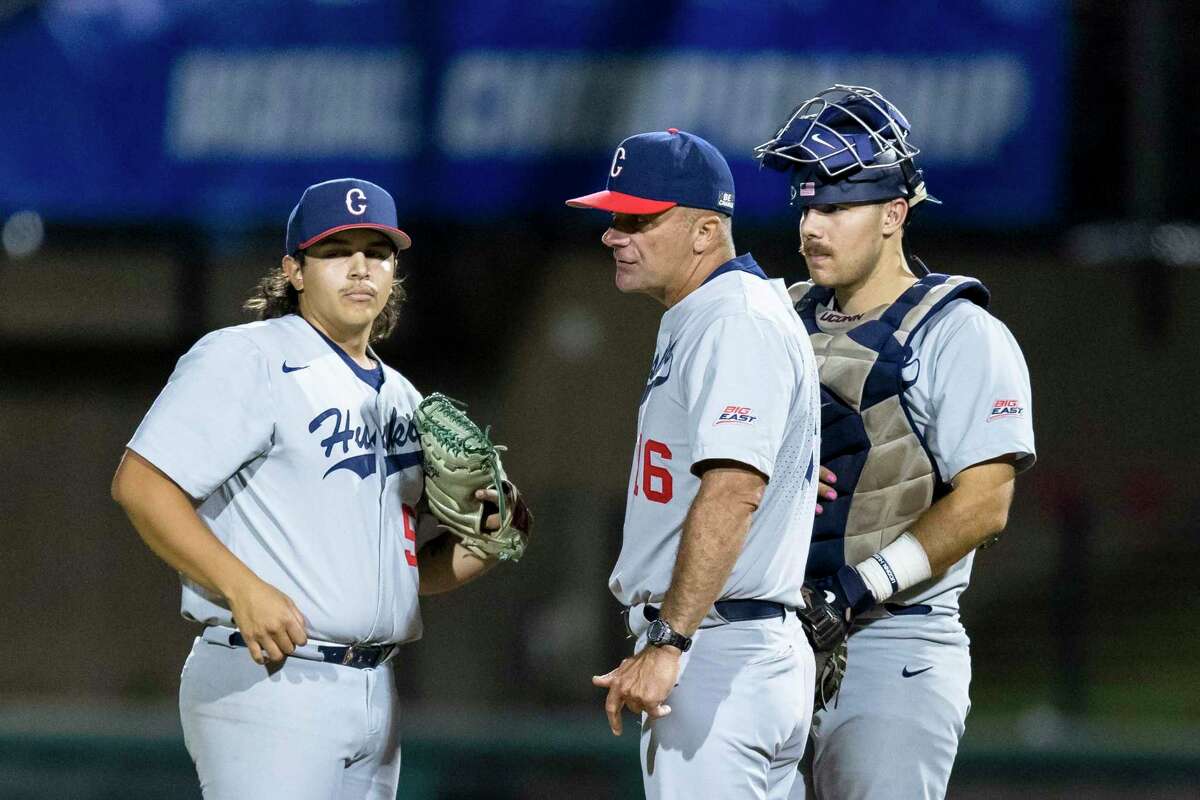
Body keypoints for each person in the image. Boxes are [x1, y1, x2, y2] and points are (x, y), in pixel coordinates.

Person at [111, 178, 525, 800]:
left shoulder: (403, 397)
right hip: (270, 683)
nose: (360, 268)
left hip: (373, 687)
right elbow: (141, 485)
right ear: (294, 270)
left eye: (377, 252)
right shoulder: (248, 357)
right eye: (336, 252)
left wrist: (489, 539)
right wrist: (241, 586)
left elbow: (401, 573)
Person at [755, 85, 1037, 799]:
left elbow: (985, 505)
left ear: (894, 213)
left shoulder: (959, 331)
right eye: (807, 206)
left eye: (835, 208)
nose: (811, 227)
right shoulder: (776, 316)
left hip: (893, 641)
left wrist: (854, 589)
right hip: (769, 637)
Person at [567, 129, 822, 800]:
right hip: (741, 646)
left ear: (706, 230)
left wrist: (671, 642)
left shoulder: (731, 319)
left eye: (639, 219)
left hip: (717, 651)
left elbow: (734, 489)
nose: (614, 235)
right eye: (613, 217)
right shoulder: (713, 311)